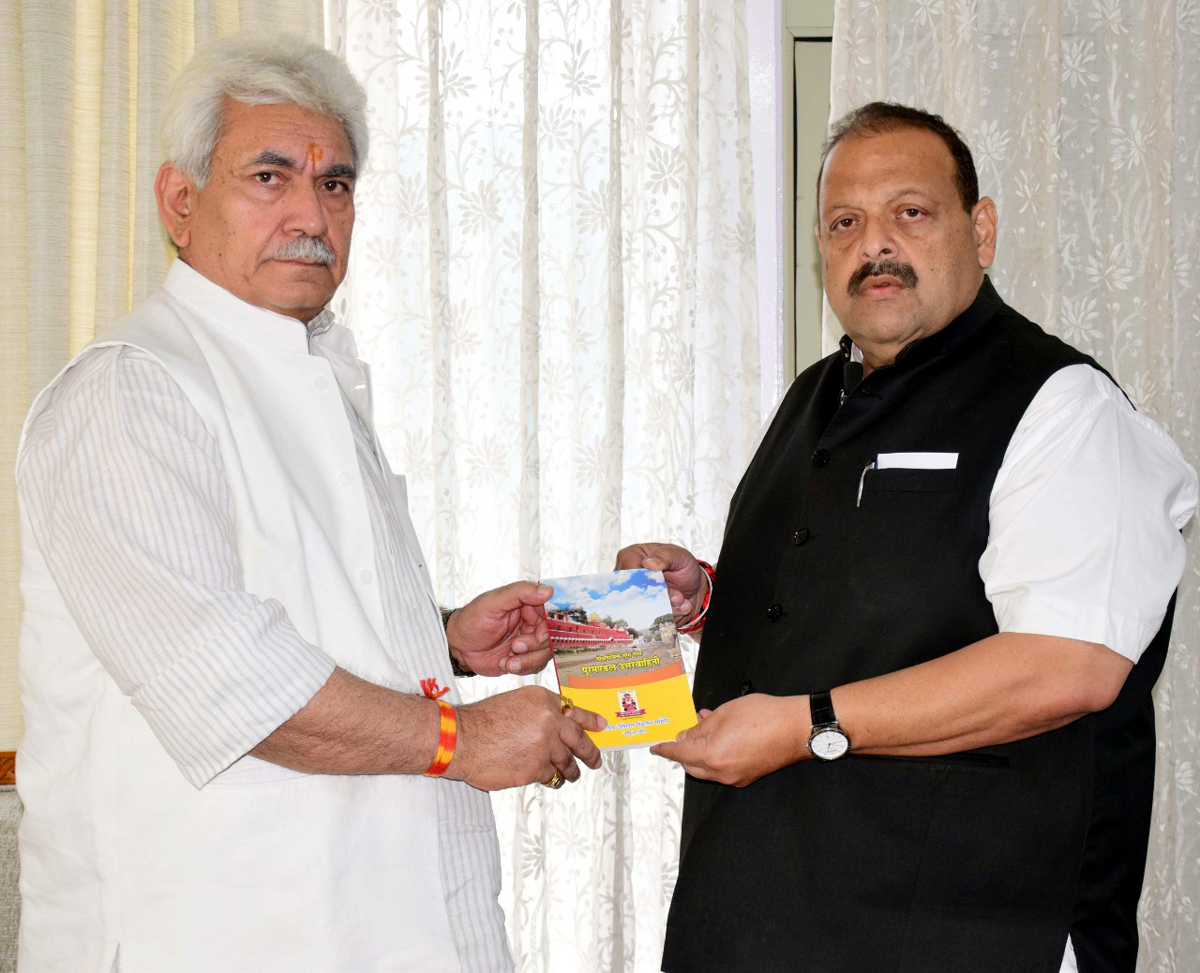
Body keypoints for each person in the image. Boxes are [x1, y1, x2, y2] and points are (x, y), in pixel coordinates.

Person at [16, 33, 604, 973]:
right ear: (180, 202)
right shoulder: (130, 393)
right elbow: (224, 680)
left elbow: (293, 605)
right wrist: (464, 735)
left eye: (335, 184)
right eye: (269, 175)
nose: (311, 212)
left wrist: (443, 637)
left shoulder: (310, 368)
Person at [618, 102, 1197, 973]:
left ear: (982, 228)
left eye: (910, 212)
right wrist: (704, 592)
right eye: (844, 221)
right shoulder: (816, 393)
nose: (873, 243)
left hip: (966, 933)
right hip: (759, 923)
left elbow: (1069, 664)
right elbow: (862, 591)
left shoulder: (1061, 407)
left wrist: (806, 723)